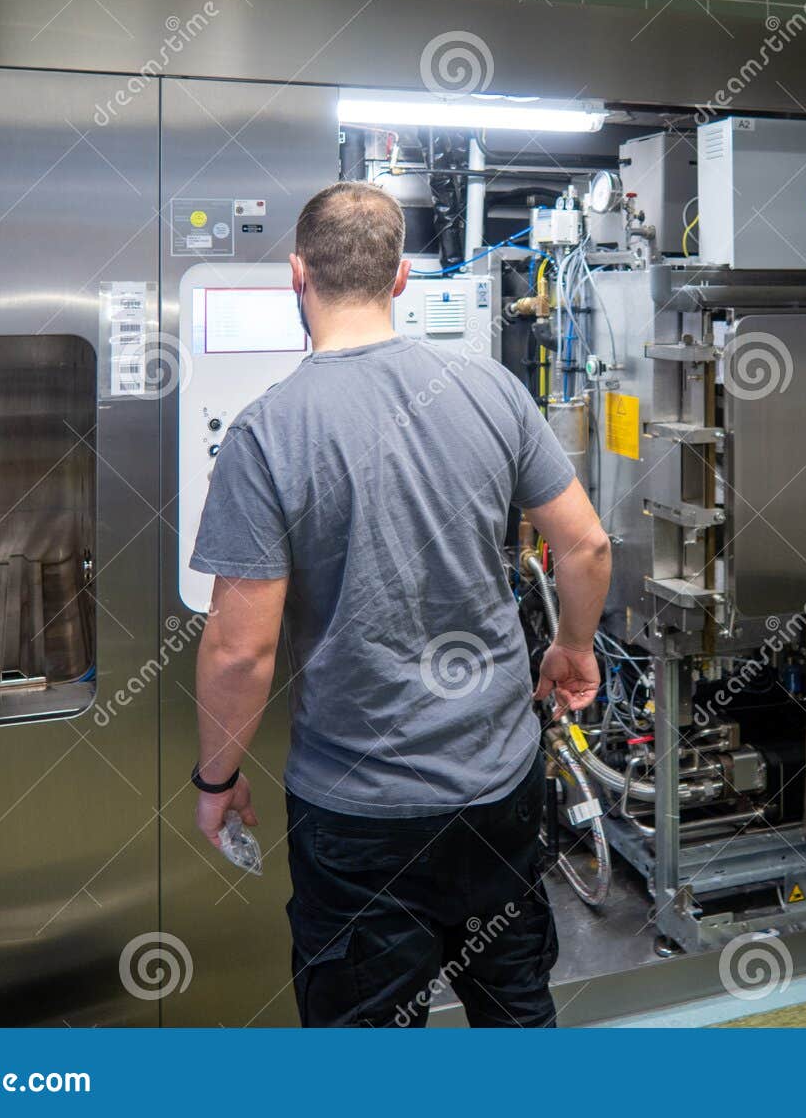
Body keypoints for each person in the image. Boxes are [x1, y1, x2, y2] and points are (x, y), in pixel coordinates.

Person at [187, 181, 611, 1027]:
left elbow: (240, 651)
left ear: (296, 276)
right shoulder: (492, 389)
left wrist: (218, 776)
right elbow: (588, 546)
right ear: (403, 279)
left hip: (358, 813)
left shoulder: (267, 432)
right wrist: (572, 646)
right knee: (517, 1014)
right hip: (498, 789)